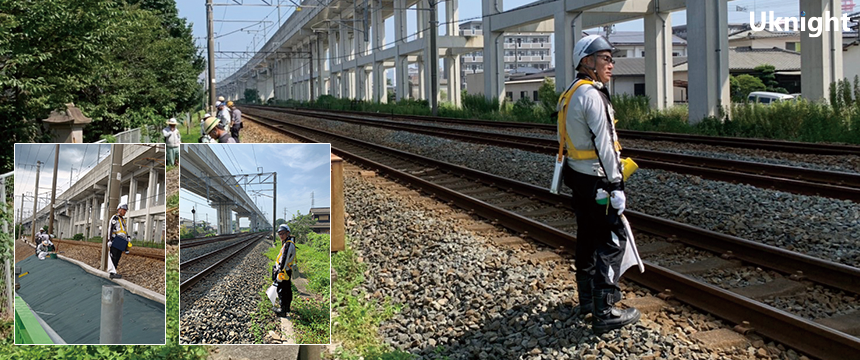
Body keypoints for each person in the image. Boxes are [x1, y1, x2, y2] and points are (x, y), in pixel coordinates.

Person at [558, 35, 640, 334]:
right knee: (612, 240)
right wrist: (616, 184)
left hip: (578, 176)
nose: (611, 63)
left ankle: (587, 300)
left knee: (588, 236)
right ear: (586, 61)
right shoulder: (592, 94)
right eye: (605, 58)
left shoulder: (571, 92)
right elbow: (605, 142)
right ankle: (604, 309)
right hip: (598, 179)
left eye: (610, 58)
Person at [272, 224, 296, 316]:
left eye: (283, 233)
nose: (281, 236)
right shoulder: (288, 243)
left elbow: (284, 259)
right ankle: (287, 308)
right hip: (286, 271)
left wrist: (279, 271)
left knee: (282, 290)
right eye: (280, 234)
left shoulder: (288, 244)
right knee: (287, 290)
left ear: (288, 233)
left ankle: (282, 310)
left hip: (283, 272)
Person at [107, 203, 132, 279]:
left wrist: (128, 238)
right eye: (124, 210)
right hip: (115, 240)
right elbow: (110, 229)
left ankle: (114, 271)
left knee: (118, 256)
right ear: (119, 209)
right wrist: (109, 240)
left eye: (125, 210)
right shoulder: (115, 218)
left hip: (122, 240)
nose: (125, 211)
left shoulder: (123, 220)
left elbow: (124, 230)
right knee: (113, 256)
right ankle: (112, 273)